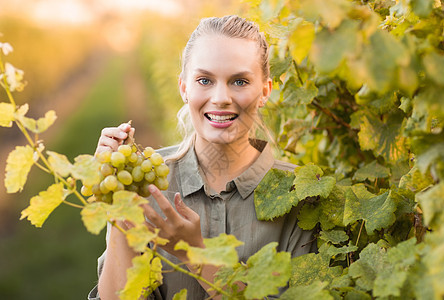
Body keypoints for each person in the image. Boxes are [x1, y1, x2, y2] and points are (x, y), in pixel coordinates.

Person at [88, 15, 316, 300]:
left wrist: (193, 252)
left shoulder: (302, 194)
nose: (221, 97)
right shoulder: (145, 180)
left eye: (240, 81)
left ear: (264, 91)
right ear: (184, 88)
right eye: (205, 80)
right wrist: (120, 203)